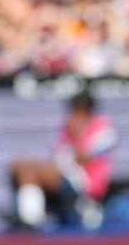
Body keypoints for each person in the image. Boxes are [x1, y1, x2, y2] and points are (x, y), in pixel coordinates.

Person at [9, 91, 118, 230]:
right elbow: (60, 156)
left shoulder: (104, 129)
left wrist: (77, 135)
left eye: (79, 111)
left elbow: (83, 158)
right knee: (22, 168)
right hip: (65, 174)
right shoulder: (67, 129)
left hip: (86, 182)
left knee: (35, 172)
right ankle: (29, 218)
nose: (74, 115)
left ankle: (32, 222)